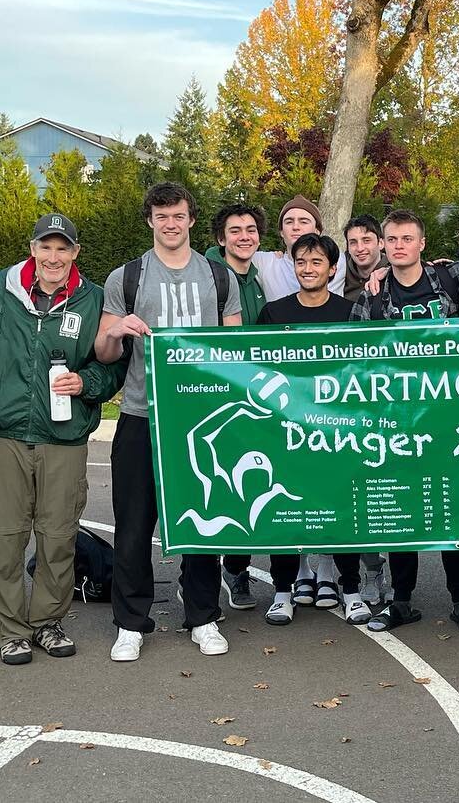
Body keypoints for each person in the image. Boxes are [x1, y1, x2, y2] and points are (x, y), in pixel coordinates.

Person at [95, 182, 242, 663]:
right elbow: (104, 350)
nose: (171, 224)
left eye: (178, 215)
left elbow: (234, 351)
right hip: (141, 414)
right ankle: (131, 622)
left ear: (192, 220)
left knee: (203, 519)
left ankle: (202, 615)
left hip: (200, 418)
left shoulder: (219, 277)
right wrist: (117, 329)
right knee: (134, 523)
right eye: (162, 217)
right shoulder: (128, 277)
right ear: (150, 222)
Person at [0, 213, 125, 665]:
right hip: (7, 435)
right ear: (33, 249)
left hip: (65, 438)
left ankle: (46, 622)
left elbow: (114, 363)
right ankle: (11, 629)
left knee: (58, 536)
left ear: (75, 252)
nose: (54, 256)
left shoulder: (94, 299)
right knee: (5, 535)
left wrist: (88, 384)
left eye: (63, 248)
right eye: (46, 247)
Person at [351, 210, 459, 634]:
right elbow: (352, 355)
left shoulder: (451, 280)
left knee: (451, 510)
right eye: (391, 239)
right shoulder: (371, 295)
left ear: (422, 243)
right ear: (383, 244)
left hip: (447, 414)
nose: (399, 246)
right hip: (396, 420)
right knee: (402, 512)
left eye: (407, 238)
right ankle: (401, 600)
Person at [257, 233, 374, 626]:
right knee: (286, 511)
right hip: (286, 430)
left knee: (342, 509)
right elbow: (255, 369)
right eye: (301, 263)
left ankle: (352, 591)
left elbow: (363, 370)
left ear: (332, 268)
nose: (308, 270)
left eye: (316, 263)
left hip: (335, 431)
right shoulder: (273, 313)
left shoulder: (349, 311)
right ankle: (282, 593)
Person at [206, 203, 271, 611]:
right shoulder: (209, 275)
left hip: (252, 395)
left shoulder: (258, 277)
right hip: (219, 394)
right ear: (220, 238)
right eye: (235, 231)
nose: (244, 236)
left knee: (249, 483)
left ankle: (236, 567)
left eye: (250, 230)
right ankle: (207, 577)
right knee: (219, 485)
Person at [342, 214, 388, 304]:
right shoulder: (339, 271)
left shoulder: (395, 271)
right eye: (353, 242)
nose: (360, 248)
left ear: (381, 243)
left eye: (366, 240)